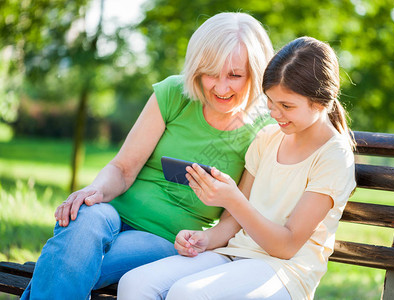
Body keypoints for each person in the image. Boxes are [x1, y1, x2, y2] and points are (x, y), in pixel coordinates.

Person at [21, 12, 274, 300]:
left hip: (164, 239)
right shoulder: (174, 94)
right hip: (112, 210)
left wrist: (203, 240)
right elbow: (123, 168)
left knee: (72, 261)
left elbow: (233, 219)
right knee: (84, 220)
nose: (221, 86)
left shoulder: (262, 134)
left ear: (256, 72)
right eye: (211, 73)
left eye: (235, 75)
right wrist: (95, 190)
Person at [117, 36, 357, 300]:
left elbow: (287, 246)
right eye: (270, 102)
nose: (275, 113)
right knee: (135, 283)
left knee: (188, 294)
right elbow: (232, 222)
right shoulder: (268, 138)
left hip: (285, 272)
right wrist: (205, 239)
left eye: (286, 106)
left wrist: (232, 198)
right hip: (235, 254)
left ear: (322, 102)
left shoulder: (333, 157)